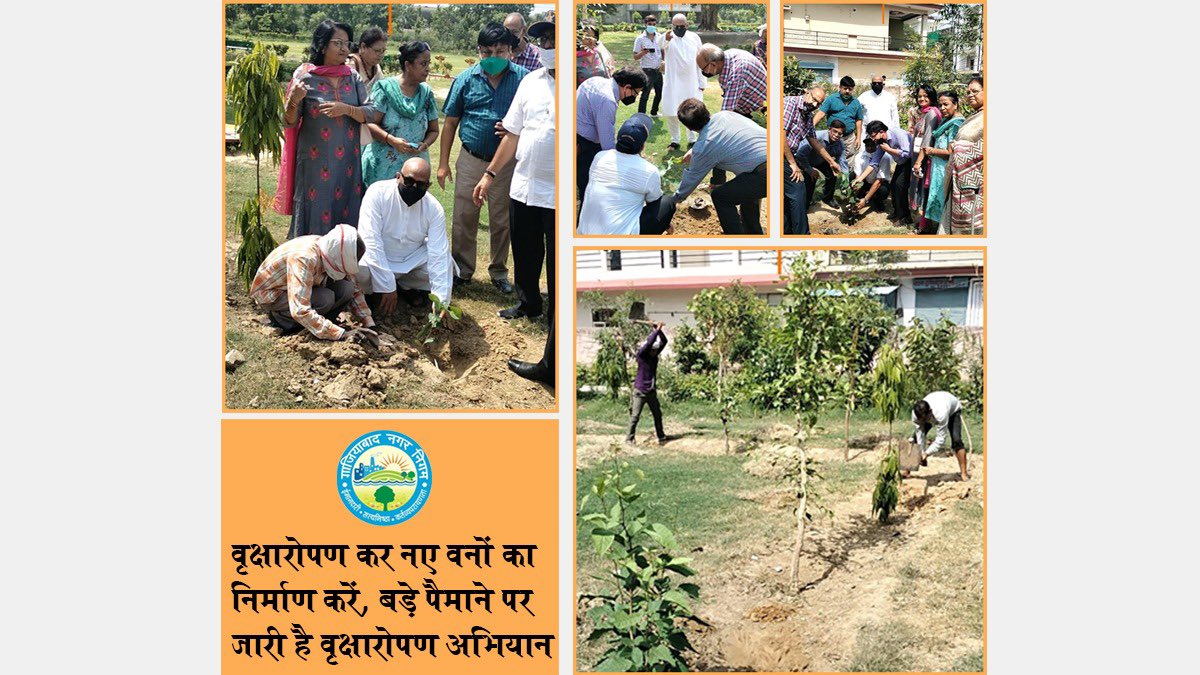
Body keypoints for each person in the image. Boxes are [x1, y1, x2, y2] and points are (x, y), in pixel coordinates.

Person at [473, 19, 557, 321]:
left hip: (558, 192)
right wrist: (489, 174)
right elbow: (512, 133)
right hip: (524, 185)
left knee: (557, 257)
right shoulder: (531, 82)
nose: (547, 46)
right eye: (543, 41)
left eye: (553, 40)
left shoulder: (579, 84)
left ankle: (555, 314)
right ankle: (528, 304)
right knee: (524, 250)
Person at [438, 23, 529, 292]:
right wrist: (443, 163)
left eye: (499, 51)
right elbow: (451, 122)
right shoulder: (466, 78)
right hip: (470, 158)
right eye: (486, 52)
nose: (492, 57)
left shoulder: (525, 80)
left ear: (511, 51)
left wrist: (515, 129)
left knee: (502, 219)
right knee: (465, 216)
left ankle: (499, 271)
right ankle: (462, 269)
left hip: (506, 163)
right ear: (479, 51)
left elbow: (533, 121)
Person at [275, 20, 381, 239]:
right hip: (314, 165)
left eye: (347, 43)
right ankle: (311, 265)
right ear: (322, 46)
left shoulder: (352, 78)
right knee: (315, 210)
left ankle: (340, 266)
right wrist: (293, 101)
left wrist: (347, 109)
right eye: (338, 43)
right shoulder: (305, 76)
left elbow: (371, 112)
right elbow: (289, 122)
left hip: (348, 165)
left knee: (346, 210)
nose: (345, 48)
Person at [355, 158, 453, 321]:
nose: (414, 187)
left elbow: (438, 254)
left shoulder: (434, 209)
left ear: (428, 186)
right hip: (378, 258)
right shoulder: (377, 193)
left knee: (445, 263)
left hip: (410, 261)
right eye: (409, 181)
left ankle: (403, 287)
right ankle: (376, 292)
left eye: (420, 185)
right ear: (398, 176)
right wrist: (387, 285)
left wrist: (441, 301)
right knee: (358, 269)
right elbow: (371, 241)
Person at [250, 224, 378, 342]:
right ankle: (282, 322)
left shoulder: (333, 248)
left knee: (346, 288)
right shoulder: (305, 258)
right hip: (273, 294)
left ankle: (321, 324)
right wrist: (341, 334)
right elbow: (300, 310)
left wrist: (369, 324)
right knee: (325, 298)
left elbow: (354, 289)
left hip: (298, 289)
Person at [671, 100, 767, 235]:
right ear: (706, 111)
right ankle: (752, 234)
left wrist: (672, 201)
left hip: (766, 174)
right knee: (745, 191)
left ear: (689, 128)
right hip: (781, 157)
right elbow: (724, 138)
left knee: (720, 197)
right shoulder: (725, 115)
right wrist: (695, 151)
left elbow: (691, 179)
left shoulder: (705, 146)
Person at [360, 42, 440, 186]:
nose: (428, 69)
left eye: (428, 63)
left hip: (414, 172)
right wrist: (391, 140)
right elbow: (370, 123)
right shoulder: (385, 89)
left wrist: (425, 144)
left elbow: (434, 130)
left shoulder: (426, 94)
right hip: (382, 169)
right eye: (423, 64)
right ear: (408, 65)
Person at [578, 115, 673, 236]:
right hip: (619, 238)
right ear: (642, 146)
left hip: (584, 232)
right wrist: (665, 223)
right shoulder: (650, 171)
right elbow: (654, 201)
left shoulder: (600, 157)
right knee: (667, 203)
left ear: (618, 139)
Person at [696, 43, 768, 185]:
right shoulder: (729, 55)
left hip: (760, 113)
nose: (703, 73)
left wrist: (701, 145)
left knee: (732, 145)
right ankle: (717, 182)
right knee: (718, 142)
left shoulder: (737, 72)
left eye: (703, 69)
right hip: (744, 106)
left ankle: (747, 195)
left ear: (713, 64)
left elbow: (725, 116)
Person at [576, 68, 646, 201]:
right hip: (585, 147)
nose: (635, 97)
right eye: (636, 93)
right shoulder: (607, 100)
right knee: (590, 190)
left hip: (576, 137)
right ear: (626, 87)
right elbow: (607, 145)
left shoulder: (596, 81)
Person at [782, 88, 832, 235]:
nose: (816, 105)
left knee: (789, 196)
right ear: (807, 93)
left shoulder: (807, 114)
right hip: (778, 154)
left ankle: (787, 231)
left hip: (788, 155)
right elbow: (780, 134)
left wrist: (831, 162)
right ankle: (802, 235)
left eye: (819, 103)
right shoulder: (790, 104)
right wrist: (792, 163)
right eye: (814, 99)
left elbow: (813, 140)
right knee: (798, 190)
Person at [913, 91, 964, 234]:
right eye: (940, 104)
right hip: (938, 168)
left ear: (956, 104)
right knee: (937, 198)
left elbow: (951, 152)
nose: (942, 108)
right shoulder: (946, 122)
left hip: (945, 170)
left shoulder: (956, 125)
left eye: (946, 104)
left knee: (944, 201)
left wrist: (931, 151)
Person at [659, 13, 705, 150]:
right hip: (673, 82)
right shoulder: (667, 37)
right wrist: (666, 38)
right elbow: (659, 44)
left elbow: (701, 59)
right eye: (675, 26)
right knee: (672, 111)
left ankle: (692, 139)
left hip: (692, 81)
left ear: (687, 25)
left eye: (681, 26)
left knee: (693, 110)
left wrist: (702, 82)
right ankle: (675, 140)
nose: (678, 28)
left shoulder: (694, 37)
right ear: (672, 25)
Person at [851, 121, 913, 221]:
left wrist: (889, 150)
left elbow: (908, 153)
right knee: (894, 185)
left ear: (881, 131)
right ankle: (898, 212)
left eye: (873, 136)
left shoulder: (898, 134)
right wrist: (860, 179)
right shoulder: (880, 142)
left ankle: (905, 217)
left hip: (911, 161)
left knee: (899, 186)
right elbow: (874, 163)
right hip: (901, 163)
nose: (873, 139)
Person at [947, 76, 984, 234]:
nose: (969, 95)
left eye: (975, 91)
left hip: (977, 186)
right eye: (967, 92)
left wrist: (959, 147)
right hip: (962, 184)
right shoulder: (974, 117)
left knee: (974, 228)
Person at [812, 76, 865, 178]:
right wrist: (810, 127)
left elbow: (859, 120)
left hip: (848, 137)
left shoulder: (855, 102)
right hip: (833, 137)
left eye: (850, 89)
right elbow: (821, 113)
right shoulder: (831, 99)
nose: (847, 91)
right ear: (839, 87)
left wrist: (858, 137)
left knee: (848, 160)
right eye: (845, 88)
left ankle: (845, 182)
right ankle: (830, 178)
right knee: (829, 159)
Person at [626, 323, 669, 445]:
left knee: (657, 414)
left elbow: (664, 341)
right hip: (640, 391)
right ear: (649, 349)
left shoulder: (654, 357)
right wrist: (657, 329)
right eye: (653, 350)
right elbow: (649, 343)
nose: (655, 352)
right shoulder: (641, 355)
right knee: (635, 417)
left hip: (651, 391)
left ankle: (661, 436)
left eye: (656, 350)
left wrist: (657, 329)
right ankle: (629, 439)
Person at [907, 84, 942, 233]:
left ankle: (924, 226)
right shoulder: (924, 113)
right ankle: (922, 223)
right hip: (920, 157)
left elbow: (927, 140)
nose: (922, 99)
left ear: (932, 98)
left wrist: (918, 161)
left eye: (925, 96)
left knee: (923, 191)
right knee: (920, 189)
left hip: (925, 159)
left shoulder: (932, 114)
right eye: (920, 96)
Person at [911, 392, 968, 481]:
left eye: (925, 419)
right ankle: (906, 471)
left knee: (956, 440)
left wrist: (927, 453)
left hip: (953, 410)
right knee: (913, 439)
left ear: (930, 412)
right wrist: (921, 452)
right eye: (921, 420)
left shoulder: (941, 413)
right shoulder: (915, 416)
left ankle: (964, 473)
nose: (923, 421)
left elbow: (941, 438)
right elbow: (920, 434)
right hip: (935, 406)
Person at [347, 26, 387, 148]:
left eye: (383, 51)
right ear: (363, 47)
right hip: (350, 124)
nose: (381, 55)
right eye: (377, 51)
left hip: (367, 122)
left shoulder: (376, 68)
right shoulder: (350, 66)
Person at [852, 75, 900, 175]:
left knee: (885, 157)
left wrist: (896, 133)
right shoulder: (863, 96)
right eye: (874, 83)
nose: (877, 85)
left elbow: (895, 117)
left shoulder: (890, 97)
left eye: (879, 83)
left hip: (885, 134)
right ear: (871, 84)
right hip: (868, 133)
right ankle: (863, 178)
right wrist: (858, 133)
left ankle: (882, 178)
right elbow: (856, 114)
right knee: (865, 156)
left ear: (883, 84)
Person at [633, 14, 664, 116]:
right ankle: (641, 115)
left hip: (658, 70)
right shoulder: (640, 39)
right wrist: (643, 53)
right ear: (645, 24)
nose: (652, 26)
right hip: (647, 71)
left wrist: (664, 61)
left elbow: (663, 50)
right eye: (650, 24)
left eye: (654, 24)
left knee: (659, 93)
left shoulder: (659, 37)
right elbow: (635, 56)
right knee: (645, 94)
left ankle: (654, 112)